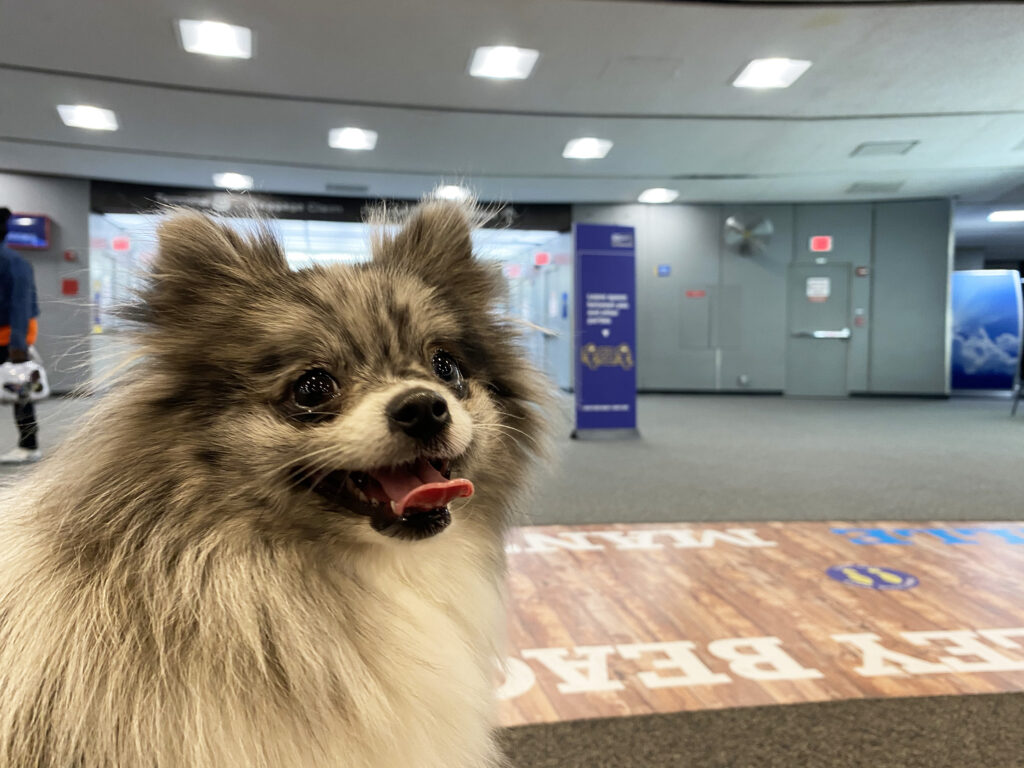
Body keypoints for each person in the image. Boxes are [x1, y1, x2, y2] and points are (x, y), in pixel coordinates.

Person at [0, 208, 41, 463]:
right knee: (20, 393)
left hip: (10, 337)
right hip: (12, 334)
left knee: (21, 392)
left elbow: (20, 306)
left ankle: (29, 445)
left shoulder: (12, 263)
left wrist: (18, 347)